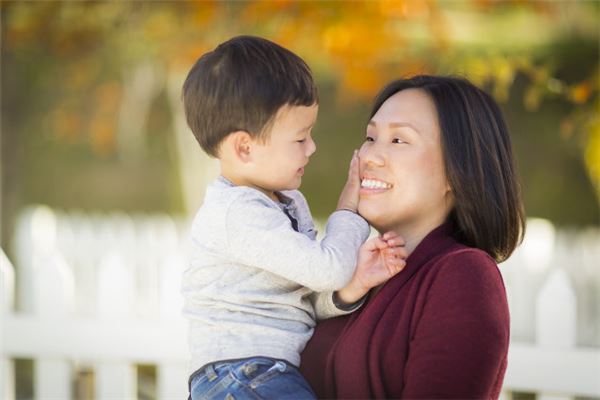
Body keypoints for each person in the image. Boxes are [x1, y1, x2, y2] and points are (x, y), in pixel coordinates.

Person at [180, 36, 407, 400]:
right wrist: (349, 211)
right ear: (244, 147)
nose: (312, 147)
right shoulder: (237, 213)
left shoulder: (284, 202)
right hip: (241, 374)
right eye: (300, 138)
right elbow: (327, 269)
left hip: (260, 373)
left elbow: (304, 298)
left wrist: (352, 287)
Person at [300, 75, 526, 399]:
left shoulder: (464, 276)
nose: (369, 157)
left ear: (456, 170)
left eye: (398, 141)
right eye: (370, 137)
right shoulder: (354, 272)